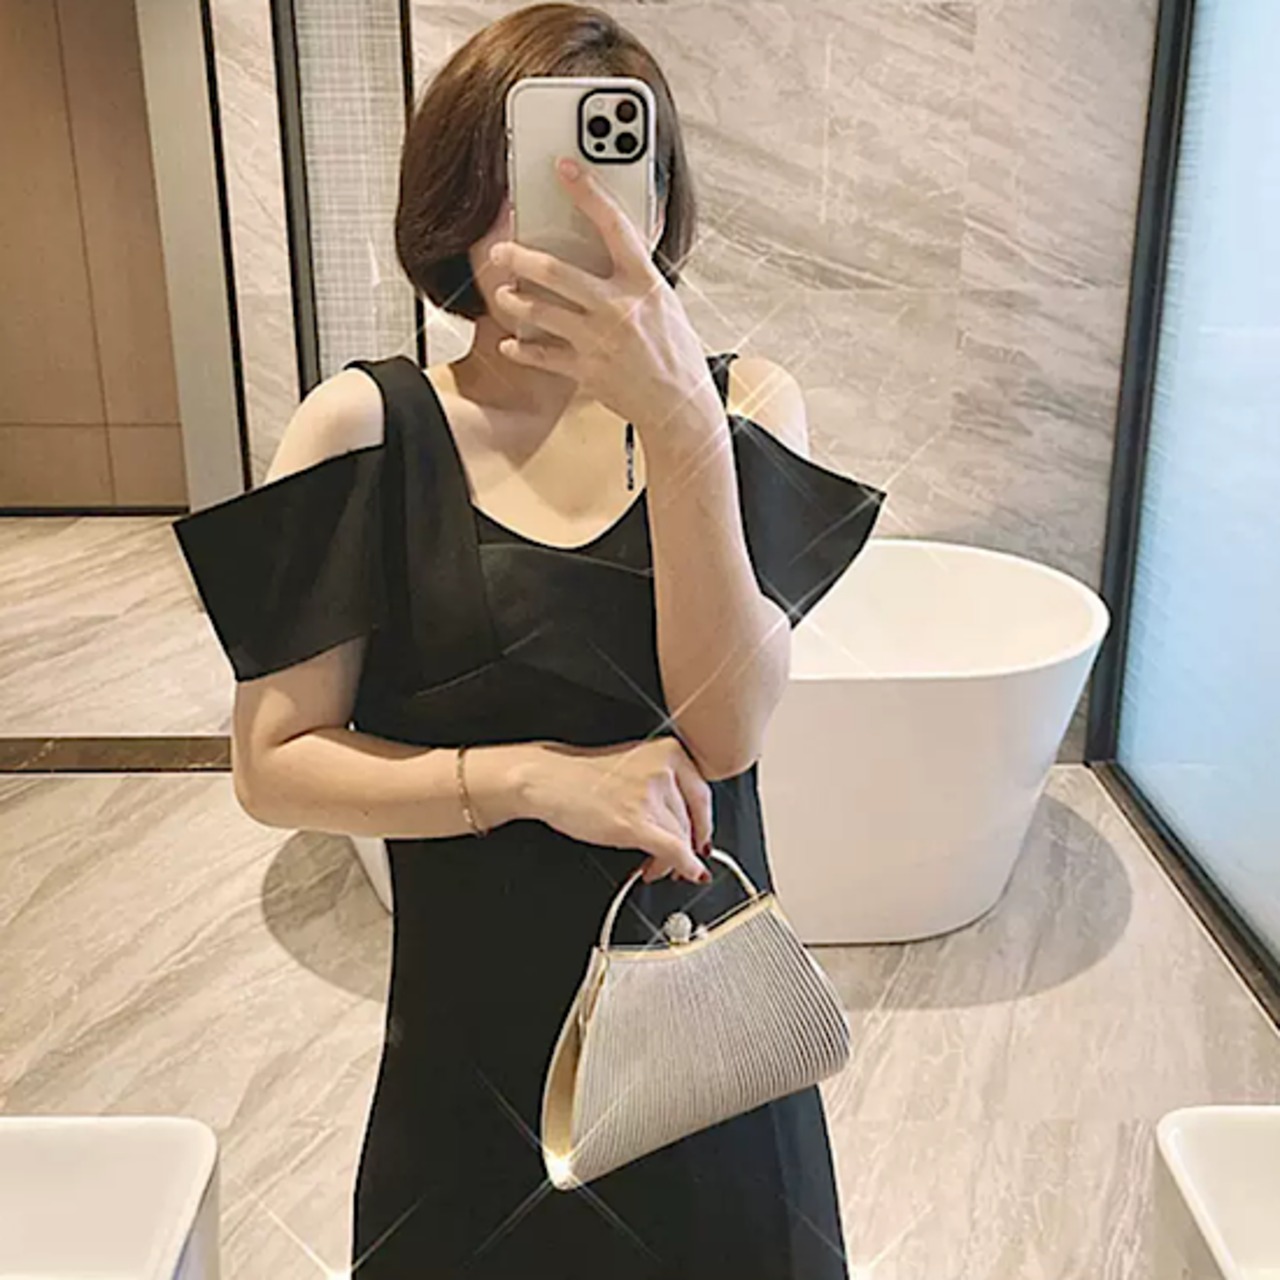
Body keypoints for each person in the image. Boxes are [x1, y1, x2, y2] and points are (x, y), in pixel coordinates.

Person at [173, 4, 885, 1276]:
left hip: (709, 1048)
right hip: (470, 1067)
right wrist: (531, 777)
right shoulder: (364, 427)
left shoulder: (738, 407)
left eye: (600, 172)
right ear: (449, 202)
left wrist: (678, 420)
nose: (555, 220)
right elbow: (271, 764)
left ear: (657, 202)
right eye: (513, 181)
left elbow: (724, 729)